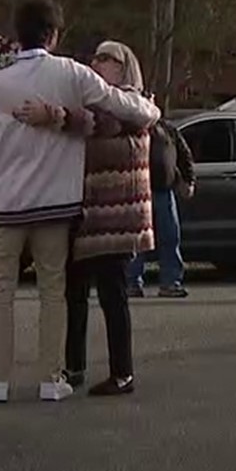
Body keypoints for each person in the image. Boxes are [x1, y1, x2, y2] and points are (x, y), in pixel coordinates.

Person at [0, 0, 158, 404]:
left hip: (4, 205)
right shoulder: (72, 73)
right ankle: (51, 378)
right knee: (53, 290)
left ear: (17, 36)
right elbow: (122, 105)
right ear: (54, 35)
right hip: (56, 204)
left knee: (2, 290)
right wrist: (150, 108)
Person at [52, 41, 154, 395]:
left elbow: (97, 124)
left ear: (124, 66)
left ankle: (122, 372)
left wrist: (54, 115)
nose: (96, 62)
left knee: (113, 295)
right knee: (74, 292)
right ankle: (74, 365)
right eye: (94, 56)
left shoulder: (131, 105)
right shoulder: (97, 100)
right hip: (86, 211)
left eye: (106, 58)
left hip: (117, 216)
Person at [128, 105, 195, 298]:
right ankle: (132, 282)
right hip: (138, 193)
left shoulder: (168, 130)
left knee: (170, 237)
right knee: (137, 241)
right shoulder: (132, 128)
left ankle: (170, 282)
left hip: (165, 192)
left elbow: (184, 155)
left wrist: (188, 180)